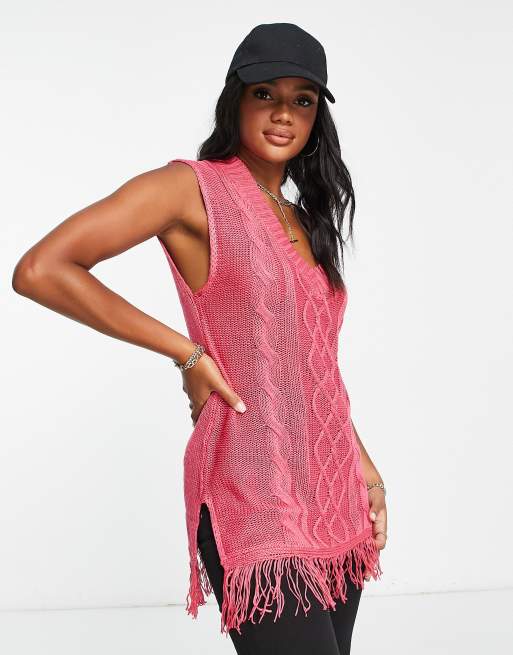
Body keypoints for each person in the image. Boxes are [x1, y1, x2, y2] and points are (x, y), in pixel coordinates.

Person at [12, 22, 387, 655]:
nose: (283, 114)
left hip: (332, 494)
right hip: (253, 497)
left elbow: (314, 367)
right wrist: (187, 354)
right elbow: (41, 270)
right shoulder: (190, 188)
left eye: (302, 100)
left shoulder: (303, 217)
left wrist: (365, 467)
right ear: (235, 99)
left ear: (317, 116)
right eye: (265, 93)